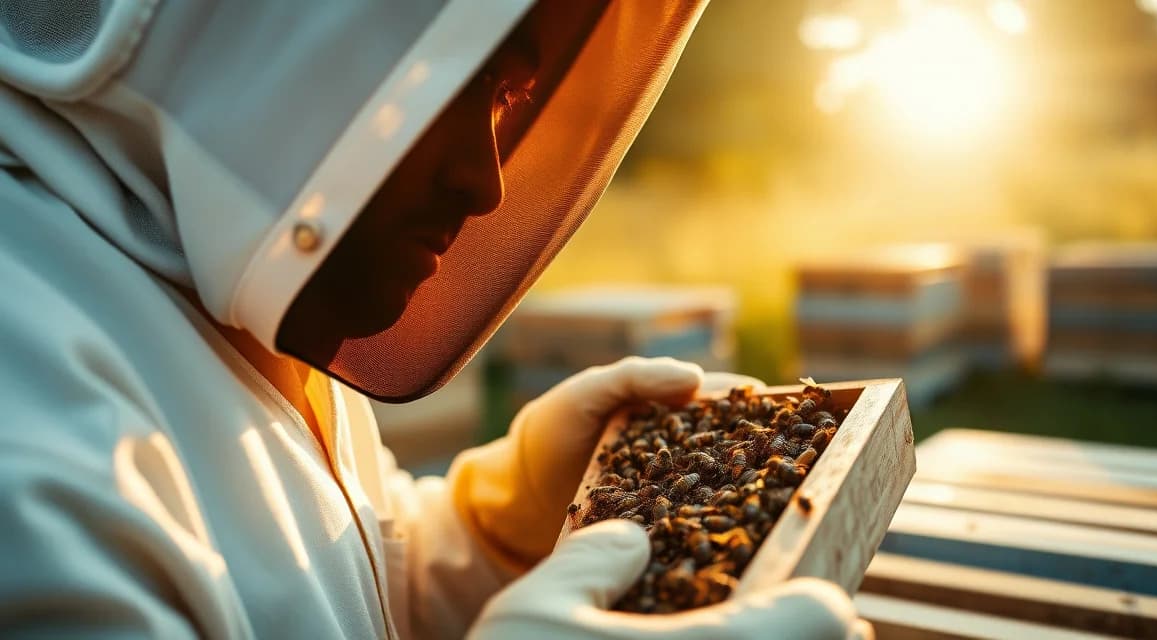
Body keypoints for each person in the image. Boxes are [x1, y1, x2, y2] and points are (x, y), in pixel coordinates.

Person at [0, 1, 870, 638]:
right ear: (278, 48)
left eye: (504, 96)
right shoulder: (30, 450)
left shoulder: (198, 260)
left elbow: (329, 593)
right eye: (457, 89)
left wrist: (494, 525)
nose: (484, 183)